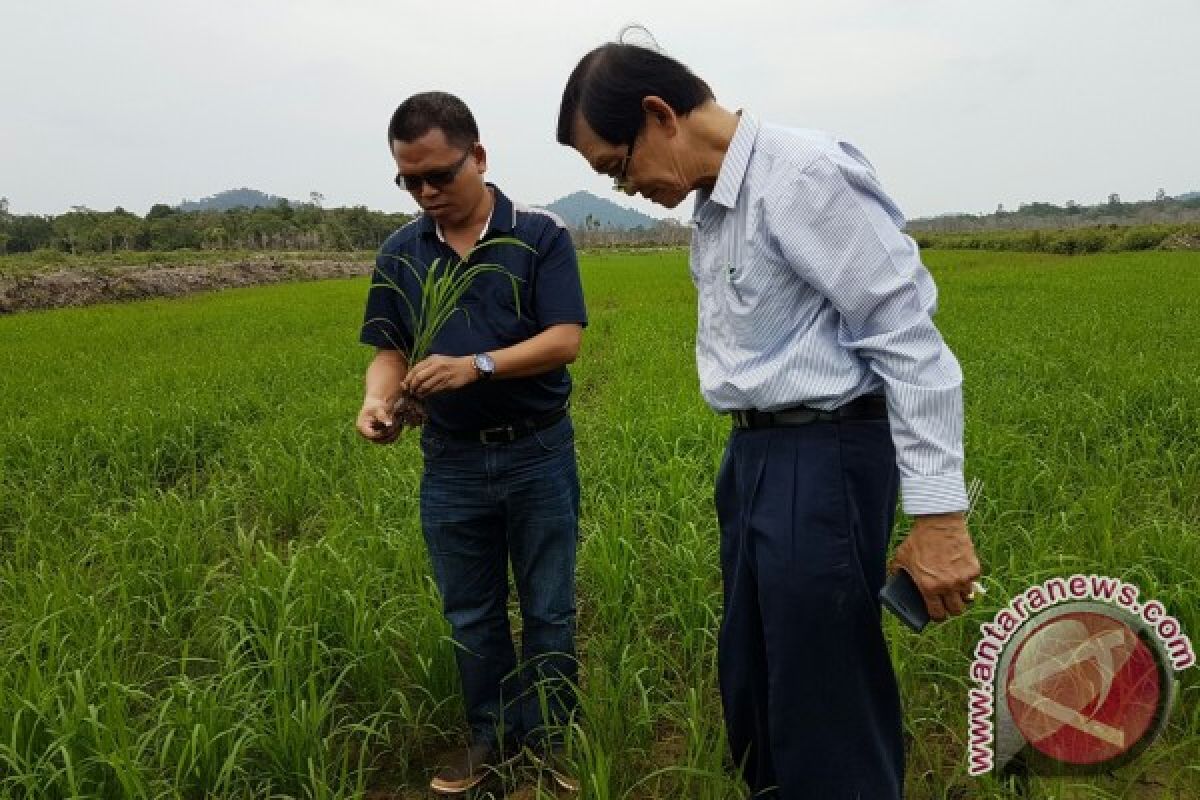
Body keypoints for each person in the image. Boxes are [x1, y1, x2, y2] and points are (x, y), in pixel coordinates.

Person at [556, 43, 982, 799]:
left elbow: (908, 339)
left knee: (822, 687)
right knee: (755, 674)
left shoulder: (804, 175)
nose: (625, 187)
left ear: (659, 115)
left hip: (826, 453)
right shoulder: (715, 207)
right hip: (755, 457)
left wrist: (941, 518)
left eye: (615, 166)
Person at [356, 91, 587, 795]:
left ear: (478, 157)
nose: (426, 192)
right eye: (410, 180)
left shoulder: (538, 235)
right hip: (452, 461)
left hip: (536, 452)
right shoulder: (401, 251)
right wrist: (376, 398)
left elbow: (564, 339)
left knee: (548, 607)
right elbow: (389, 348)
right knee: (471, 611)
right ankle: (488, 741)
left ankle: (549, 745)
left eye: (439, 176)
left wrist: (476, 364)